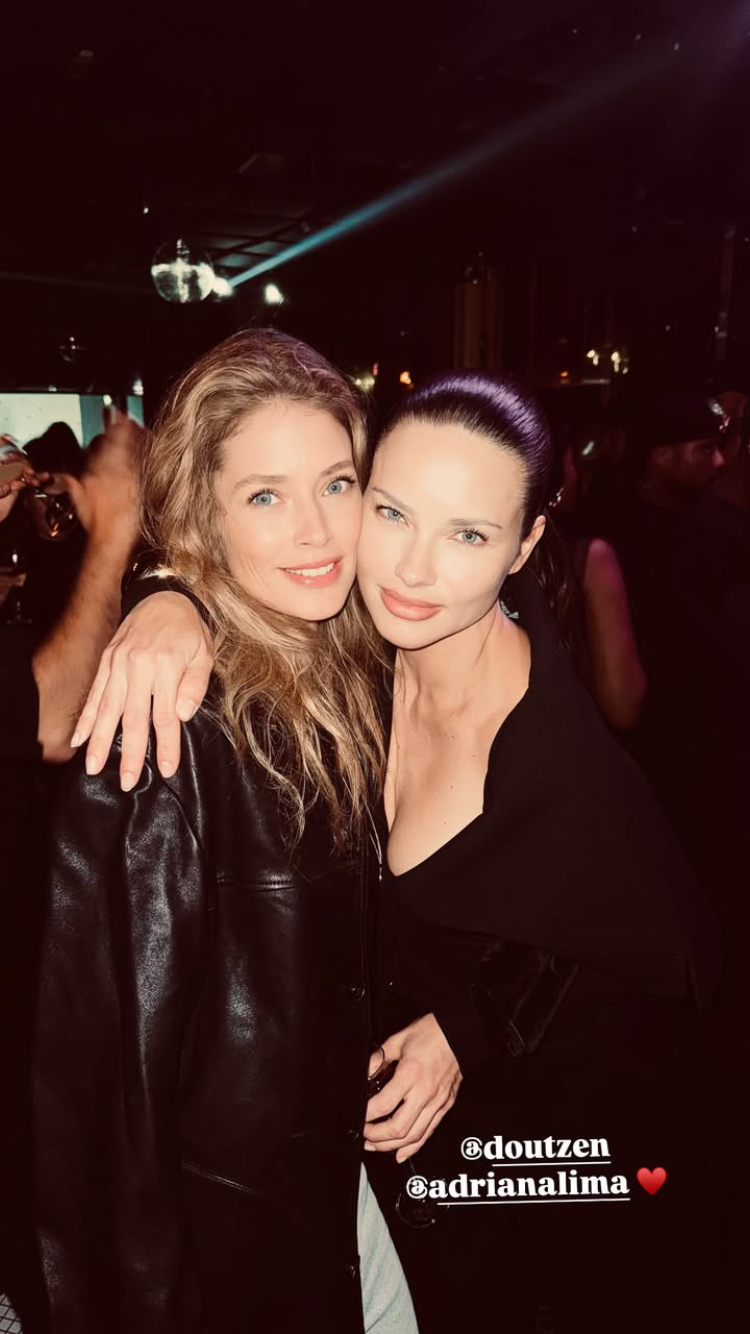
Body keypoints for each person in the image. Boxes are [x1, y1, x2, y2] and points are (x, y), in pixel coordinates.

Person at [76, 369, 720, 1333]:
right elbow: (242, 565)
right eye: (392, 513)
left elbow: (659, 949)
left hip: (548, 1170)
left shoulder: (560, 763)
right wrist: (168, 598)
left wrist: (469, 1026)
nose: (413, 570)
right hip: (383, 1157)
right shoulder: (363, 646)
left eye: (469, 535)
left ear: (525, 545)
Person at [30, 328, 416, 1334]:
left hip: (337, 1181)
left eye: (335, 483)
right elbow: (106, 1095)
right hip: (234, 1244)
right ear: (204, 515)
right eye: (264, 496)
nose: (316, 531)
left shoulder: (360, 661)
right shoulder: (164, 728)